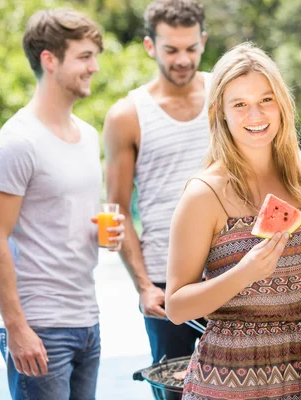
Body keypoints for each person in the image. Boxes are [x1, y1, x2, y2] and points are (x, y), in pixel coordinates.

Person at [164, 43, 301, 399]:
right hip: (226, 379)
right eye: (239, 104)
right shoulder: (203, 194)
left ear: (282, 104)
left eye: (266, 100)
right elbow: (177, 307)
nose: (255, 115)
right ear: (220, 112)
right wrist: (245, 272)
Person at [0, 9, 125, 400]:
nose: (94, 67)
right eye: (84, 56)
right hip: (39, 328)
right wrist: (16, 328)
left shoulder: (88, 136)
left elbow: (65, 221)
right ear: (49, 59)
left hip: (87, 320)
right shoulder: (17, 143)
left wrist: (103, 233)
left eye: (95, 56)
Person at [103, 0, 210, 391]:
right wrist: (143, 286)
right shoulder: (126, 115)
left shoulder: (227, 94)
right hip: (165, 281)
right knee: (174, 387)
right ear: (150, 46)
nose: (182, 59)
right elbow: (115, 210)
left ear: (202, 41)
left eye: (190, 48)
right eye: (171, 50)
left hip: (232, 268)